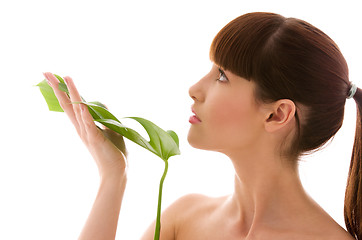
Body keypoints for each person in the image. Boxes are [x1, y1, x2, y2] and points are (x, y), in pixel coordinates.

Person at [43, 12, 361, 240]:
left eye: (222, 75)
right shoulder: (184, 218)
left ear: (276, 115)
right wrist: (113, 177)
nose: (194, 88)